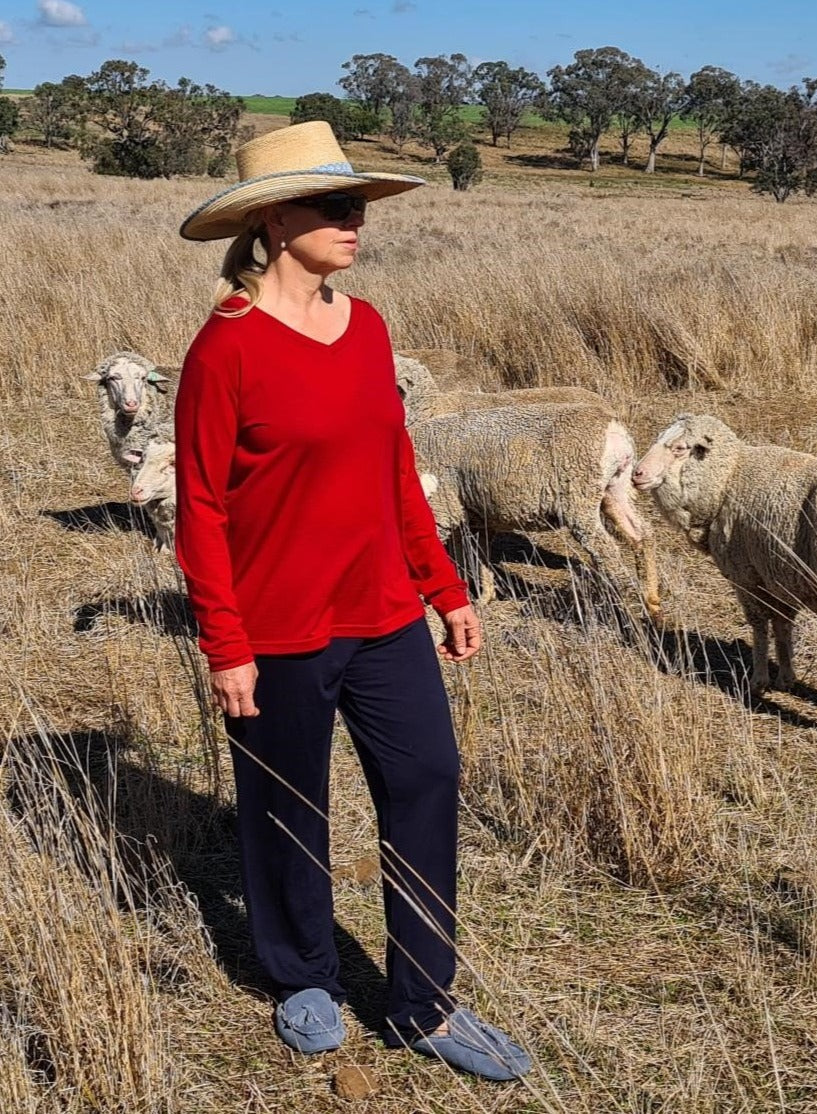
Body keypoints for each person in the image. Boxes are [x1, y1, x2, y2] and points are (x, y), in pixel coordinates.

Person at [174, 121, 531, 1082]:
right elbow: (201, 510)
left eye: (356, 205)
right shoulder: (227, 350)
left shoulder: (368, 325)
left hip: (383, 615)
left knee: (426, 781)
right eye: (333, 205)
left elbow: (395, 471)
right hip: (276, 627)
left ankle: (422, 1002)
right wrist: (225, 643)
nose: (352, 220)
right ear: (272, 220)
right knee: (288, 806)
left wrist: (443, 586)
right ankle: (303, 975)